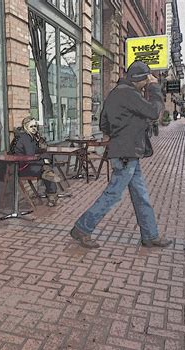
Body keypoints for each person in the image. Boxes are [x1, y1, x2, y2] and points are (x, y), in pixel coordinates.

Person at [70, 61, 172, 249]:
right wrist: (155, 88)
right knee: (113, 194)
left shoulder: (115, 94)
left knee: (141, 195)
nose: (148, 81)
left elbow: (103, 125)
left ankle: (150, 235)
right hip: (127, 154)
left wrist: (122, 130)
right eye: (146, 78)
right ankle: (82, 228)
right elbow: (153, 112)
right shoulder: (129, 94)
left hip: (126, 153)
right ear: (140, 79)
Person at [9, 117, 60, 207]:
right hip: (21, 168)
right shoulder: (24, 138)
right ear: (25, 127)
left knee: (46, 168)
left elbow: (35, 151)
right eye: (31, 126)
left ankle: (52, 195)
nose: (34, 128)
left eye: (35, 126)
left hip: (26, 164)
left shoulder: (29, 137)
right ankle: (52, 196)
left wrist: (41, 147)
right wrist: (43, 159)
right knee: (46, 169)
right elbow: (30, 155)